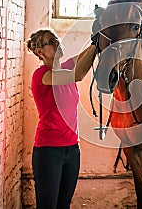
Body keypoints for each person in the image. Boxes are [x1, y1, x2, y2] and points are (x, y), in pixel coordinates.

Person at [26, 28, 96, 209]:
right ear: (39, 52)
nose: (57, 42)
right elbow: (79, 74)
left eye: (56, 38)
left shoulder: (66, 66)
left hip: (72, 150)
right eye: (51, 41)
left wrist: (99, 36)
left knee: (63, 205)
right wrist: (97, 45)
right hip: (49, 152)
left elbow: (85, 55)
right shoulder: (41, 76)